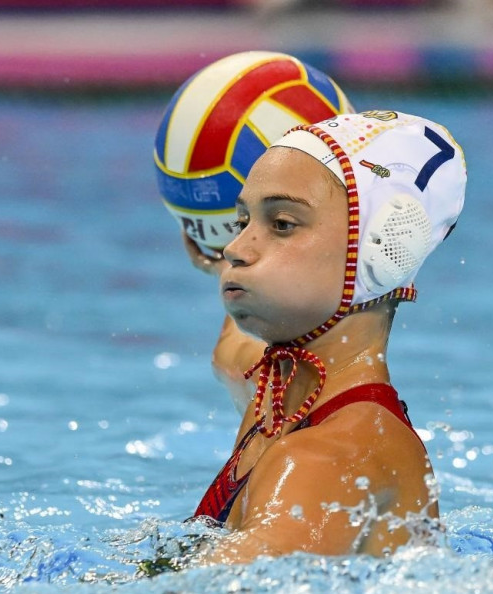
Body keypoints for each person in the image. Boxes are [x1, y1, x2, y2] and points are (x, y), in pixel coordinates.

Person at [190, 110, 466, 563]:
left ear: (380, 248)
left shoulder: (326, 460)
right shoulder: (281, 392)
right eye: (242, 223)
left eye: (281, 224)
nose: (234, 249)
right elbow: (231, 354)